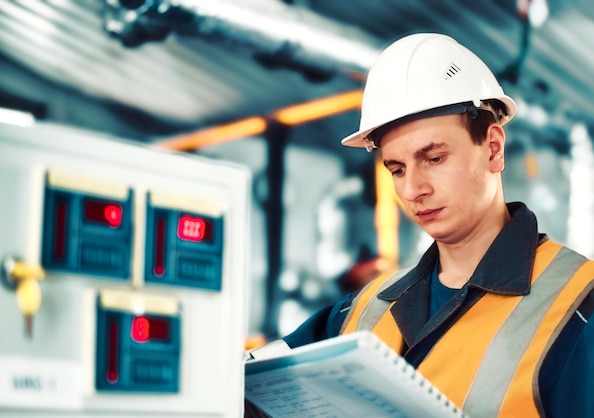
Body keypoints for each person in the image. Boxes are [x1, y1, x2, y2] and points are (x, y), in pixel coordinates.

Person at [247, 33, 594, 417]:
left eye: (434, 158)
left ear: (493, 148)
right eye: (397, 169)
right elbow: (250, 388)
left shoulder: (580, 305)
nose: (412, 189)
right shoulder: (362, 310)